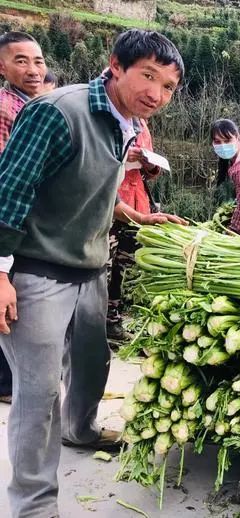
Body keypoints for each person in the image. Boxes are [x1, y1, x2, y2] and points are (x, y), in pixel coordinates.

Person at [0, 29, 185, 518]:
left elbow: (92, 188)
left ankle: (79, 430)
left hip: (88, 267)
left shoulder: (126, 122)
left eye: (168, 86)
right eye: (148, 76)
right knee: (39, 394)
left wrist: (140, 217)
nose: (156, 93)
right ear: (116, 66)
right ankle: (34, 507)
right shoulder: (59, 111)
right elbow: (8, 194)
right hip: (37, 272)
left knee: (91, 361)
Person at [0, 31, 47, 405]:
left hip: (23, 224)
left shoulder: (32, 105)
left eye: (38, 61)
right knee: (8, 302)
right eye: (21, 61)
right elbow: (10, 178)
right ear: (2, 66)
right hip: (11, 221)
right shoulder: (7, 108)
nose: (33, 69)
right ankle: (6, 383)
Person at [107, 118, 162, 341]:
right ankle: (90, 325)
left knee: (122, 268)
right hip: (110, 203)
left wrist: (148, 162)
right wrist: (123, 156)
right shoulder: (106, 119)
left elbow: (151, 172)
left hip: (136, 203)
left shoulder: (142, 124)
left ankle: (112, 321)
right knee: (103, 267)